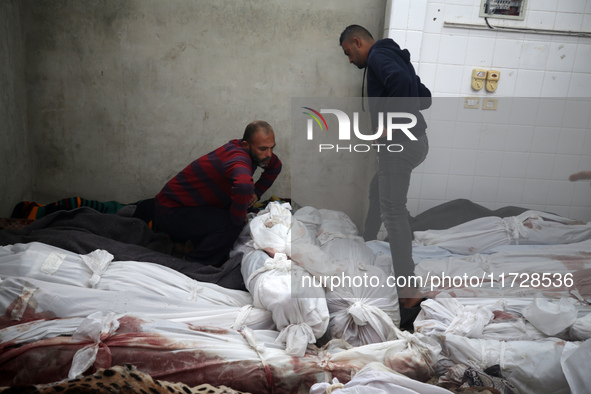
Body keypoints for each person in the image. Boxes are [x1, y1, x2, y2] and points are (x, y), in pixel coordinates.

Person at [340, 25, 431, 309]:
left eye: (348, 53)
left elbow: (405, 89)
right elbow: (424, 97)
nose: (349, 60)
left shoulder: (379, 56)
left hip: (400, 144)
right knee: (378, 189)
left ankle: (408, 288)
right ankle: (368, 240)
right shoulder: (394, 56)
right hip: (416, 142)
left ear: (357, 42)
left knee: (392, 210)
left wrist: (389, 126)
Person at [154, 120, 282, 266]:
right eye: (263, 149)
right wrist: (238, 218)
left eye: (272, 148)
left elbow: (275, 166)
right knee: (233, 223)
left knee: (234, 213)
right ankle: (193, 264)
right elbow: (244, 186)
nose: (269, 154)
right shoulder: (238, 158)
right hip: (170, 212)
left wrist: (257, 193)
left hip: (188, 206)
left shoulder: (254, 153)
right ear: (246, 145)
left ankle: (186, 244)